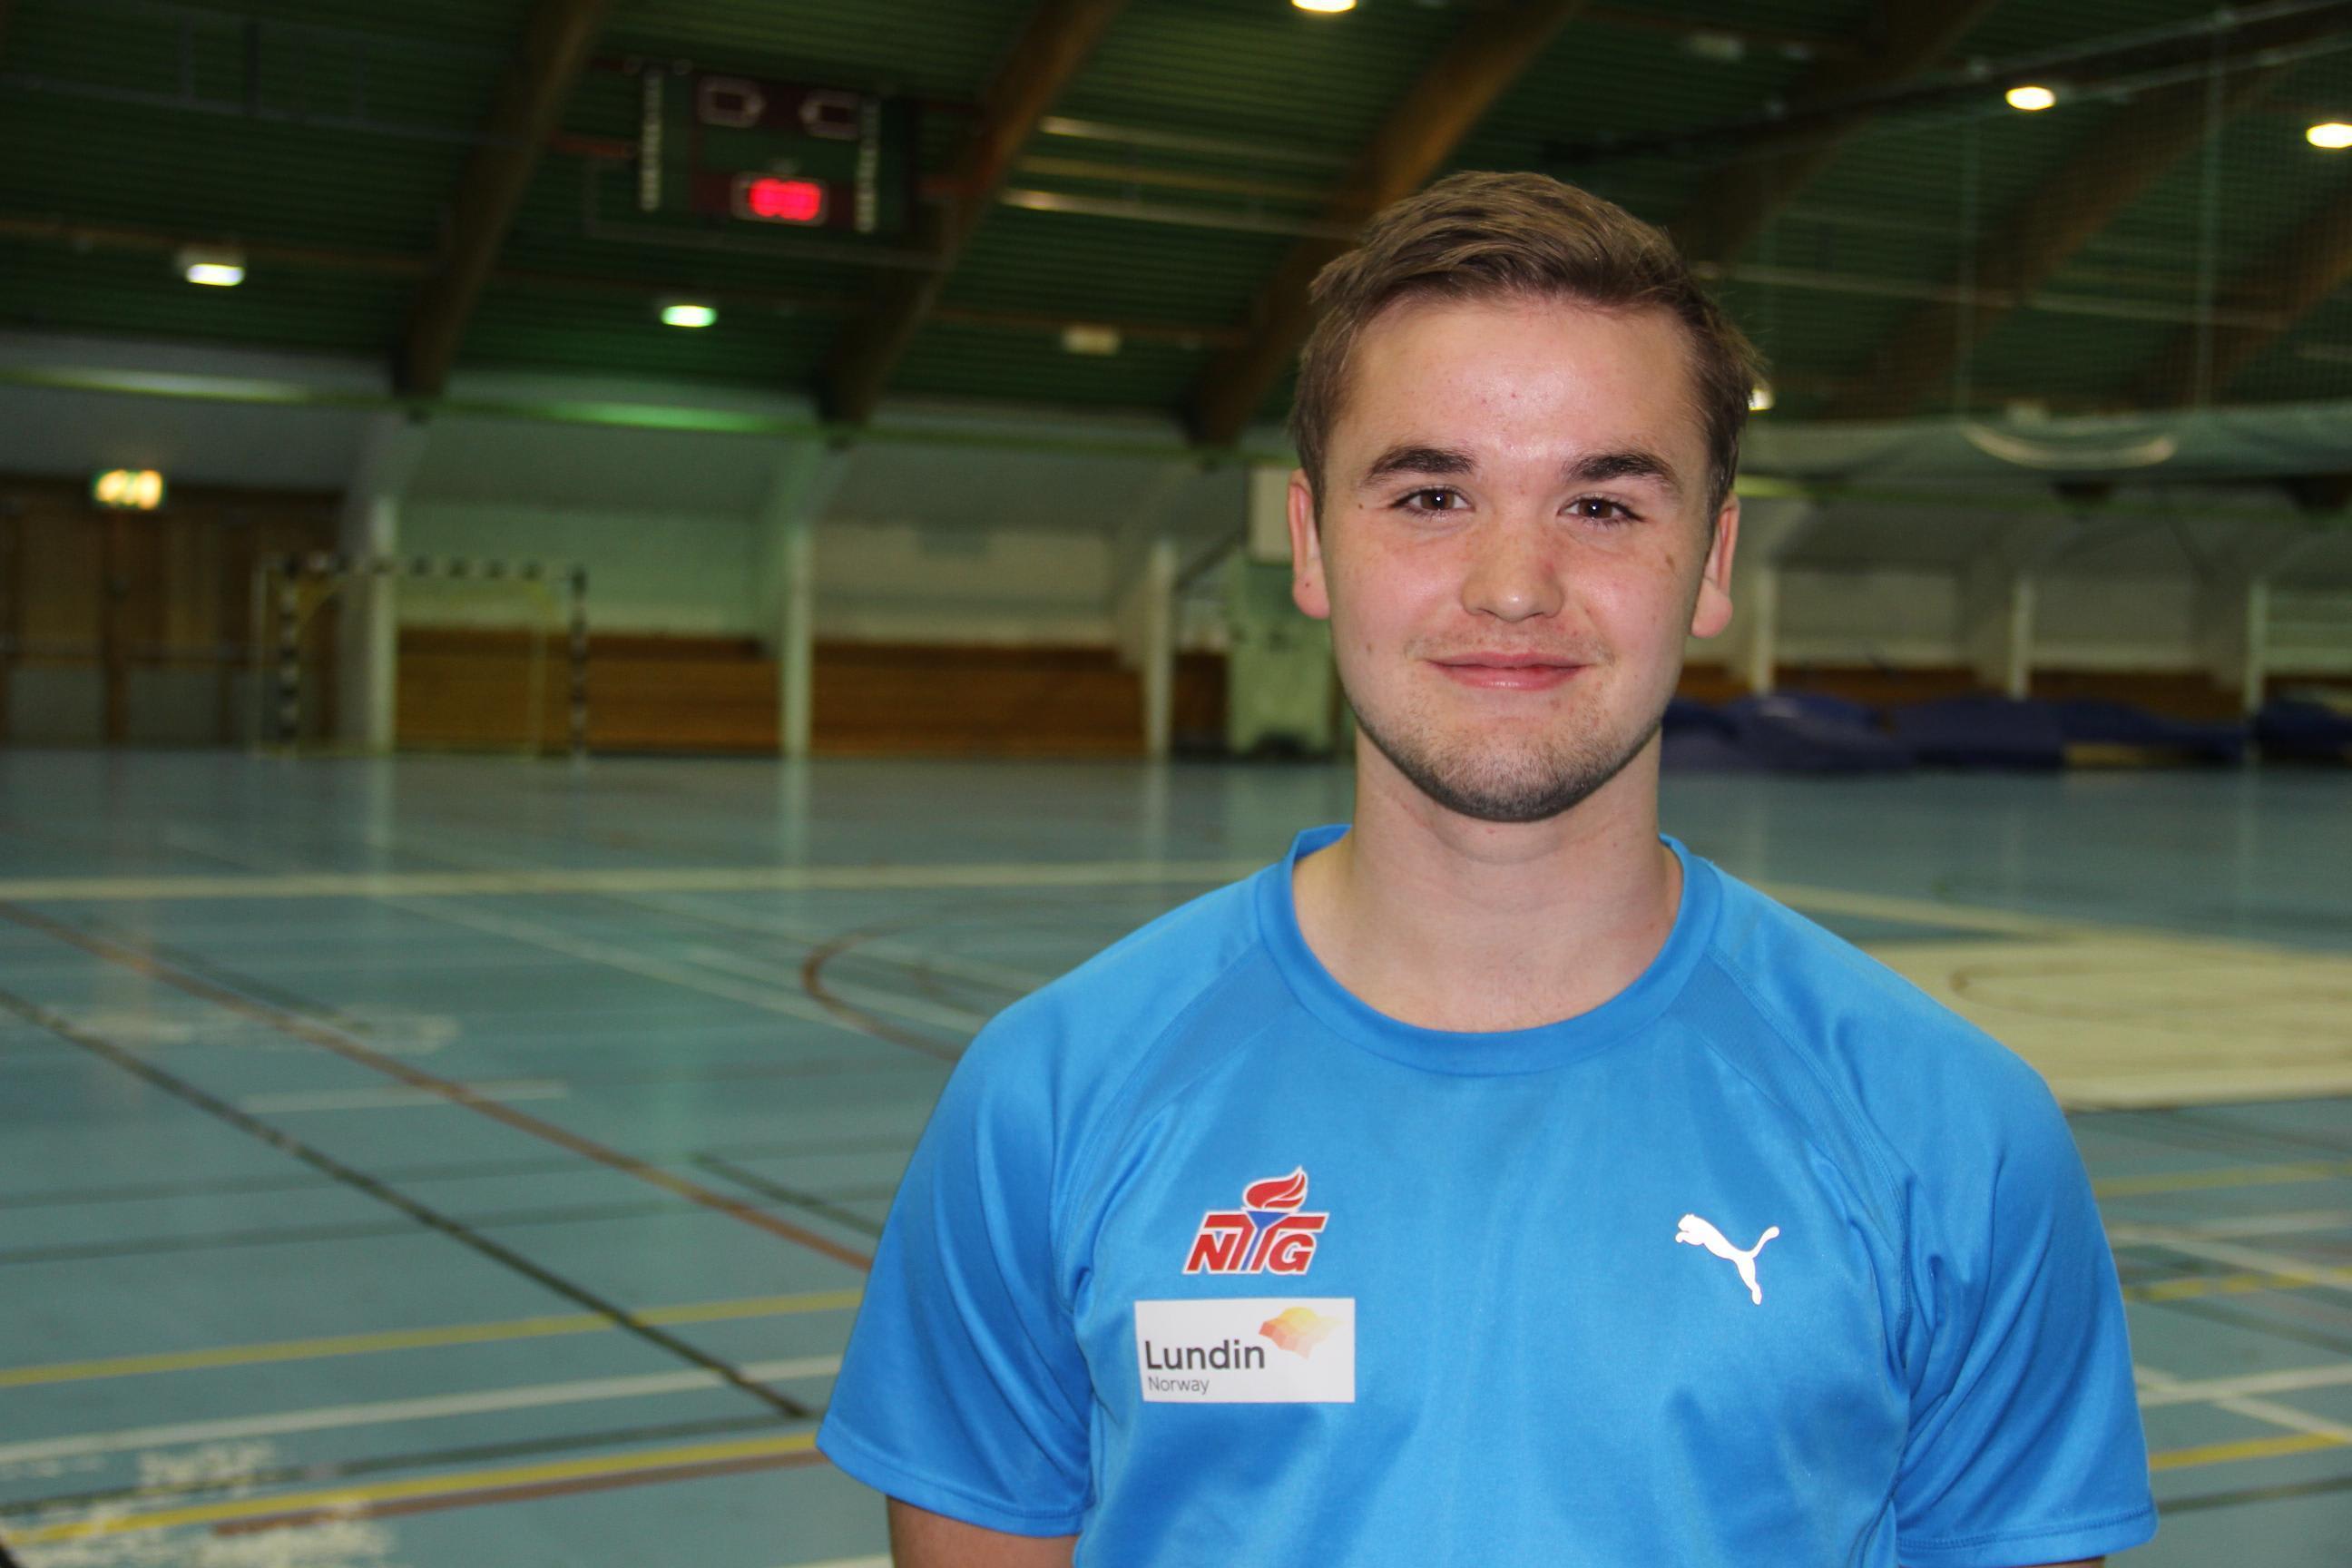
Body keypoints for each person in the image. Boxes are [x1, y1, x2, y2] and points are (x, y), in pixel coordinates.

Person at [816, 171, 2157, 1568]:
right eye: (1432, 494)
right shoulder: (1051, 1099)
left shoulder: (1953, 1135)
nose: (1514, 584)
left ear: (1712, 561)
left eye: (1605, 506)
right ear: (1309, 544)